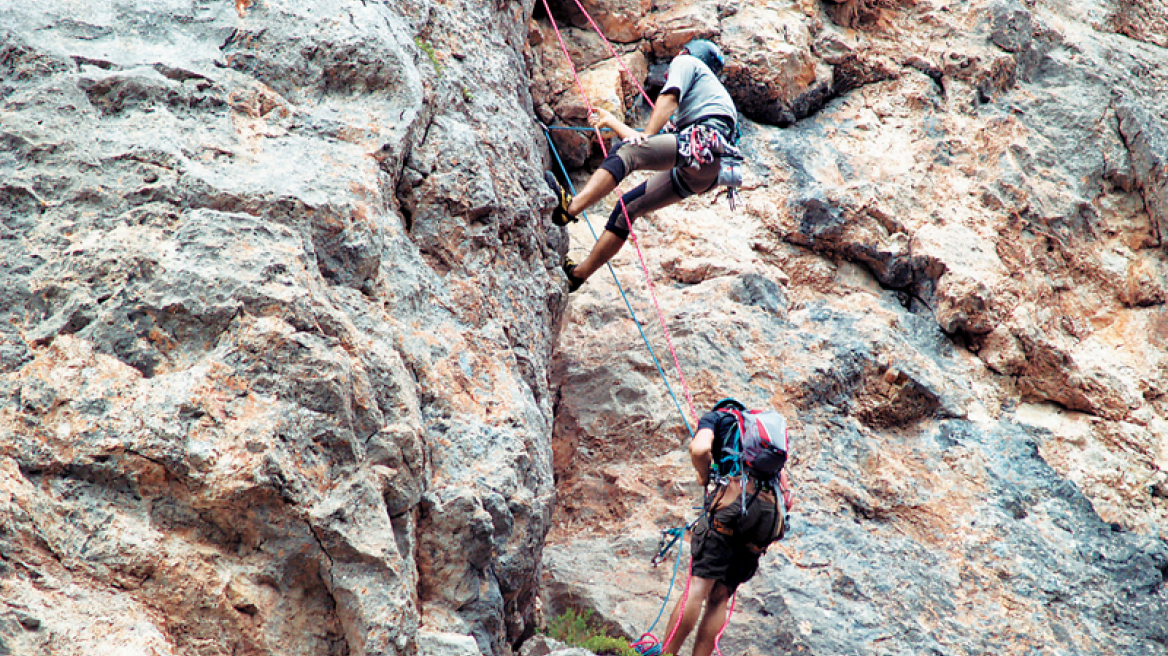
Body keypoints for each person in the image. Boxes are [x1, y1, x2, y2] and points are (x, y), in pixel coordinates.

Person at [544, 39, 740, 292]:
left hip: (701, 143)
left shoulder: (687, 62)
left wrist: (645, 134)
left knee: (626, 153)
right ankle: (577, 275)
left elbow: (667, 100)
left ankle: (568, 209)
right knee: (629, 207)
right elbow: (653, 144)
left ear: (688, 52)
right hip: (710, 168)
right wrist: (613, 122)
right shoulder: (707, 99)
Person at [659, 398, 792, 656]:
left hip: (732, 508)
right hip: (767, 517)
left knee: (698, 587)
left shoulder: (716, 418)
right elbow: (787, 493)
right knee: (720, 596)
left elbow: (699, 449)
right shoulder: (764, 437)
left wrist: (703, 476)